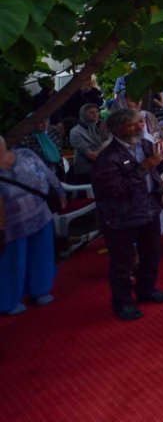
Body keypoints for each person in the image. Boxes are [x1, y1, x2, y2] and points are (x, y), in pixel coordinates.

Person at [92, 108, 163, 321]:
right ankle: (123, 302)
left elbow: (159, 168)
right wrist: (145, 166)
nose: (140, 127)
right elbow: (116, 189)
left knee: (151, 254)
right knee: (123, 262)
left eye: (141, 122)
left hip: (148, 209)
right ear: (119, 129)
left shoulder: (145, 146)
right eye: (134, 124)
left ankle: (147, 289)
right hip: (121, 216)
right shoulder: (108, 157)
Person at [0, 136, 65, 315]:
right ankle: (9, 302)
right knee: (12, 262)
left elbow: (46, 172)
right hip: (11, 226)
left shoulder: (25, 155)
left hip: (40, 214)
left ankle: (40, 290)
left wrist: (59, 190)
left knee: (42, 254)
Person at [68, 103, 106, 184]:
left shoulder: (102, 127)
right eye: (91, 113)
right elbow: (91, 155)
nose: (95, 114)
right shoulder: (76, 132)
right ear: (83, 114)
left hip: (105, 167)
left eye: (96, 112)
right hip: (87, 170)